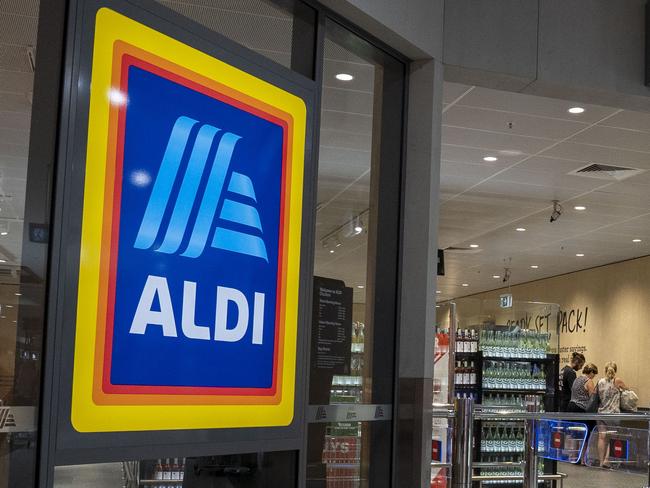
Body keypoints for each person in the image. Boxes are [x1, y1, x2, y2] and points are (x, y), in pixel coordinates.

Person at [597, 361, 628, 468]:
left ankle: (601, 461)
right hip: (614, 414)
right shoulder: (617, 380)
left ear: (605, 370)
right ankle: (607, 459)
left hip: (601, 413)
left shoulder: (599, 381)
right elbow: (628, 391)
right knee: (613, 437)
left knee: (602, 437)